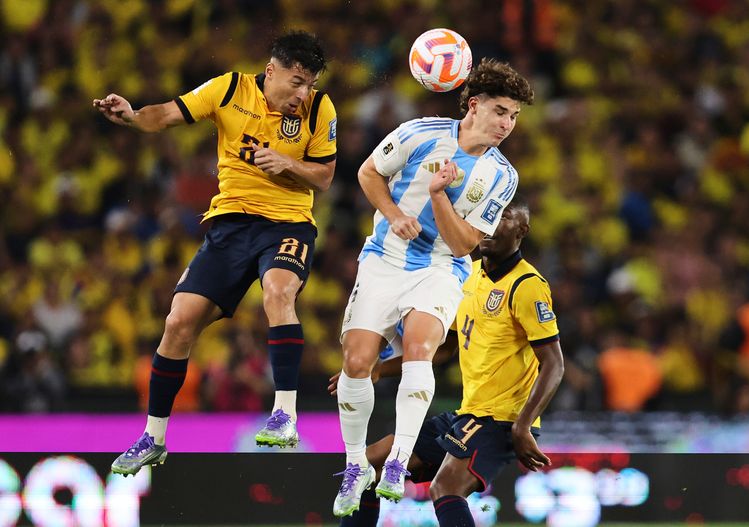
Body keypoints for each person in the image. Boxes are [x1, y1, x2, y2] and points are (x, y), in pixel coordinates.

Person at [93, 30, 337, 476]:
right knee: (178, 322)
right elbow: (164, 115)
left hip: (287, 224)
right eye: (296, 82)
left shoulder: (321, 110)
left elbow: (323, 177)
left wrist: (289, 164)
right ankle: (154, 436)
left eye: (310, 84)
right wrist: (131, 116)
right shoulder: (228, 89)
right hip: (229, 225)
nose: (303, 94)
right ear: (271, 71)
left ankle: (284, 415)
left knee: (278, 293)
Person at [333, 58, 534, 516]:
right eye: (501, 111)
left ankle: (397, 460)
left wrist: (440, 194)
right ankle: (354, 467)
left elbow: (465, 245)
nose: (507, 124)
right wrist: (395, 215)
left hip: (441, 267)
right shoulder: (418, 132)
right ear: (476, 105)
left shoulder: (501, 175)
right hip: (384, 258)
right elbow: (368, 173)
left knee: (421, 347)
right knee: (357, 361)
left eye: (514, 117)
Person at [329, 198, 565, 526]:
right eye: (489, 215)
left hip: (500, 421)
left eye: (505, 218)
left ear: (522, 230)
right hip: (467, 415)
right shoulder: (467, 275)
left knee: (445, 488)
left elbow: (553, 363)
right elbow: (446, 347)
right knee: (369, 464)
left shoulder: (527, 286)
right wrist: (380, 368)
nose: (492, 223)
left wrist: (523, 425)